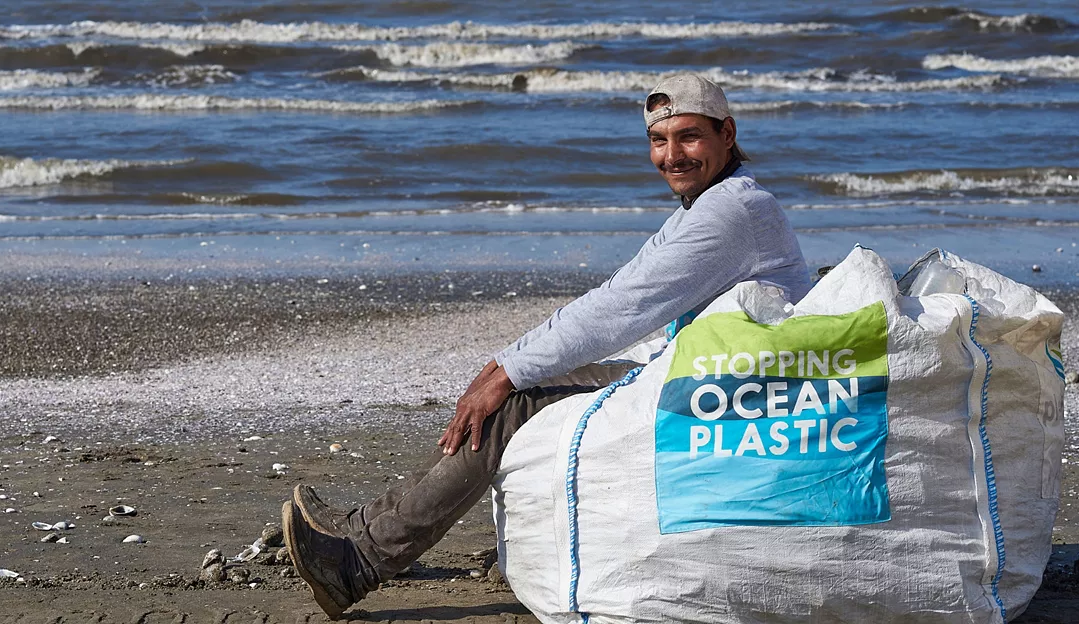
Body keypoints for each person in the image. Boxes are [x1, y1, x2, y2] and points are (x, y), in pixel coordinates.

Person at [282, 74, 814, 620]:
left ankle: (357, 561)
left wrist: (506, 372)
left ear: (727, 133)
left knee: (507, 406)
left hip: (728, 388)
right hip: (708, 368)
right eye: (659, 140)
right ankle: (365, 528)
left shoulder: (731, 212)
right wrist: (508, 363)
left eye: (689, 137)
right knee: (518, 384)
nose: (672, 156)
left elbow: (622, 307)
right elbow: (625, 289)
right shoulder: (713, 202)